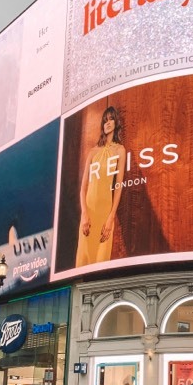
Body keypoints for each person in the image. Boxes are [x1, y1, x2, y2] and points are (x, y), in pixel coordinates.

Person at [75, 106, 126, 267]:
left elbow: (118, 186)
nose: (108, 123)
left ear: (116, 123)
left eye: (111, 119)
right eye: (105, 120)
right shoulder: (92, 152)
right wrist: (84, 214)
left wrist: (111, 217)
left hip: (105, 213)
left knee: (100, 261)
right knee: (83, 261)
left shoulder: (120, 150)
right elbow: (83, 188)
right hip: (88, 213)